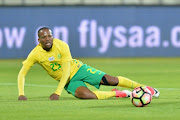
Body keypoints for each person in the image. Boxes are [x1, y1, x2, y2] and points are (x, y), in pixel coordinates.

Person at [18, 27, 160, 101]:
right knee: (86, 96)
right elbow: (22, 74)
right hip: (68, 82)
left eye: (50, 35)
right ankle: (119, 94)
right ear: (39, 40)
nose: (48, 39)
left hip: (79, 70)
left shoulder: (62, 45)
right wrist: (21, 94)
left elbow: (67, 70)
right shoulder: (35, 54)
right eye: (44, 37)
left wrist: (57, 92)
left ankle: (144, 88)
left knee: (111, 80)